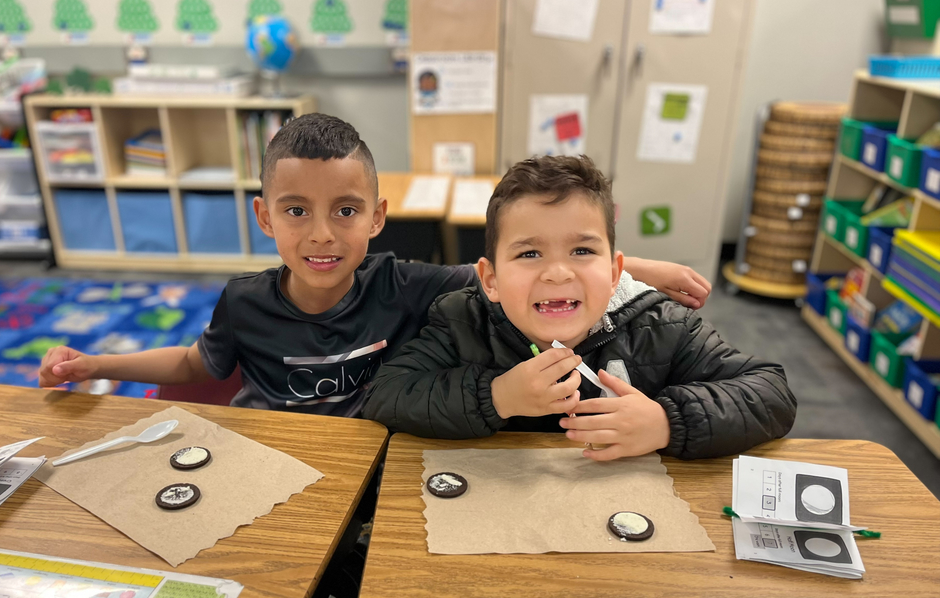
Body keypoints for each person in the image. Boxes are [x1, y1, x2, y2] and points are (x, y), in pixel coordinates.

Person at [37, 114, 710, 418]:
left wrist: (644, 269)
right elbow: (194, 366)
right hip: (266, 450)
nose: (323, 234)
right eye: (296, 211)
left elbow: (519, 272)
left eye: (346, 211)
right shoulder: (243, 302)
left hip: (373, 458)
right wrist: (97, 367)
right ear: (265, 217)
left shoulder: (401, 281)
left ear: (377, 216)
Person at [363, 154, 796, 460]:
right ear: (491, 280)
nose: (557, 274)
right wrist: (496, 396)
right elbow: (386, 397)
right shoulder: (463, 320)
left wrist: (666, 421)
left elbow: (771, 393)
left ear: (613, 272)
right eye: (529, 254)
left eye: (582, 251)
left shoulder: (658, 324)